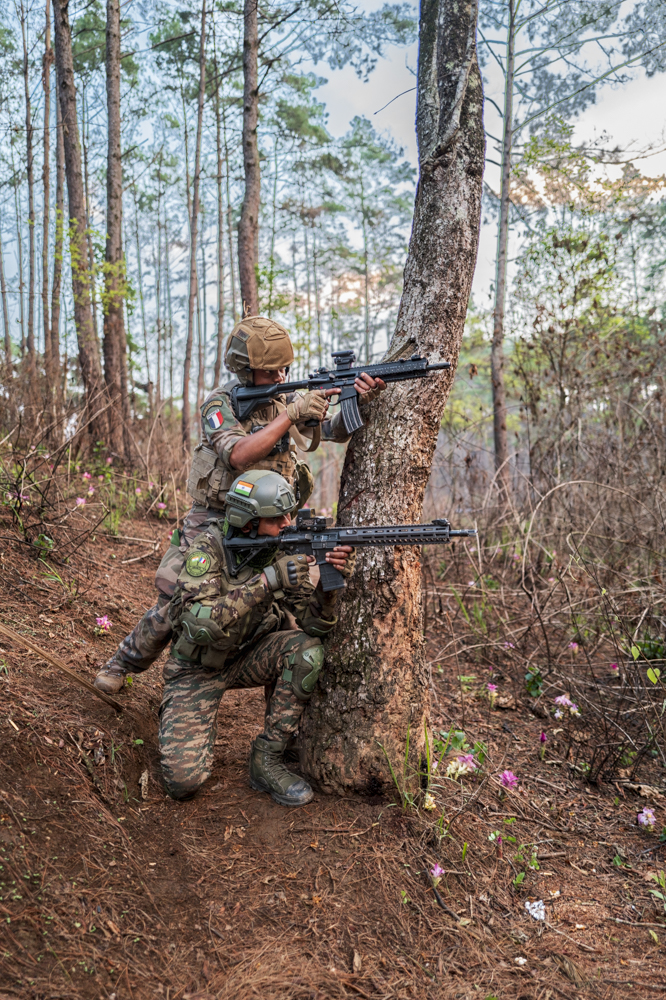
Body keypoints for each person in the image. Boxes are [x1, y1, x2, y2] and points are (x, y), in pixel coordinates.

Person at [94, 315, 384, 695]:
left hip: (270, 519)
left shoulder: (285, 397)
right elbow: (237, 454)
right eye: (271, 370)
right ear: (246, 371)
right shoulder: (222, 403)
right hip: (216, 518)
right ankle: (123, 663)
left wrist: (357, 401)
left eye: (285, 367)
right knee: (175, 600)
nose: (281, 375)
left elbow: (329, 432)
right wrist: (289, 415)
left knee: (286, 605)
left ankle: (282, 722)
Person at [159, 469, 355, 806]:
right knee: (183, 783)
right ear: (248, 521)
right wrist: (265, 582)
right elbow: (197, 624)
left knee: (306, 652)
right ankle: (177, 714)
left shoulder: (279, 551)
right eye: (277, 518)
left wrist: (328, 585)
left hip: (248, 657)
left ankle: (266, 759)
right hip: (197, 668)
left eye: (290, 515)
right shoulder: (207, 551)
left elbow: (314, 626)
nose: (288, 524)